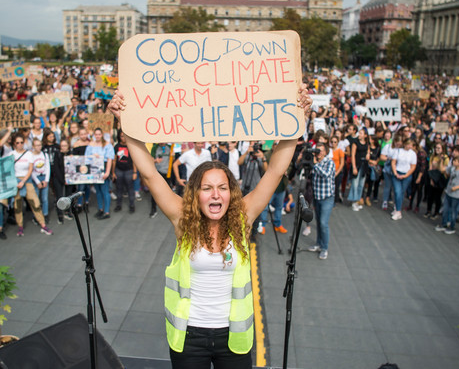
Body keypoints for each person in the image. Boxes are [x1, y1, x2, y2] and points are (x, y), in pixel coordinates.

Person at [107, 87, 311, 368]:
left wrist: (297, 119)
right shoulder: (183, 219)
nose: (215, 194)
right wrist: (125, 121)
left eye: (222, 188)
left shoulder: (243, 218)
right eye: (207, 188)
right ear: (196, 194)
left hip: (234, 339)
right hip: (188, 338)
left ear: (232, 193)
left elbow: (275, 170)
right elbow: (150, 174)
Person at [11, 133, 51, 236]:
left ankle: (43, 224)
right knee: (18, 205)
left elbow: (30, 169)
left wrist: (23, 181)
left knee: (35, 202)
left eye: (21, 142)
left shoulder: (28, 154)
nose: (20, 144)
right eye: (17, 143)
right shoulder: (11, 155)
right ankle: (20, 226)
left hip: (26, 181)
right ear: (14, 144)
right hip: (16, 182)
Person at [307, 141, 336, 259]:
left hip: (327, 197)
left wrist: (315, 165)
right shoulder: (314, 162)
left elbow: (326, 174)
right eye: (316, 150)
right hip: (317, 197)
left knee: (324, 223)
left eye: (320, 150)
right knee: (318, 222)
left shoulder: (329, 162)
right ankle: (319, 244)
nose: (318, 153)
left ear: (325, 152)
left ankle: (324, 248)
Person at [86, 127, 114, 220]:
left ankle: (106, 211)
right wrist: (92, 156)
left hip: (104, 167)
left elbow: (110, 159)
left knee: (105, 191)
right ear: (94, 135)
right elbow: (86, 157)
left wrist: (107, 172)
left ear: (102, 135)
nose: (97, 136)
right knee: (98, 191)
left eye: (99, 134)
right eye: (96, 134)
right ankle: (100, 209)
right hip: (94, 168)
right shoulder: (90, 145)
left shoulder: (107, 145)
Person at [390, 138, 417, 221]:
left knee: (401, 192)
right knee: (397, 191)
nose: (409, 146)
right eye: (408, 144)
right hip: (397, 172)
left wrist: (405, 176)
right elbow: (393, 162)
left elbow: (413, 167)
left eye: (411, 145)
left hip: (406, 175)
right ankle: (397, 208)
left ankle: (398, 210)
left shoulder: (413, 154)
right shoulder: (398, 151)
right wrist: (395, 173)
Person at [112, 130, 136, 213]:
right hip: (119, 170)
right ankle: (119, 205)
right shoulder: (116, 146)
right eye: (122, 136)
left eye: (125, 136)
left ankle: (132, 205)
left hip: (129, 171)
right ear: (119, 137)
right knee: (119, 189)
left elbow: (134, 160)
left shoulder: (131, 146)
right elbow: (114, 160)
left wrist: (135, 172)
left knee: (130, 189)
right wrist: (113, 172)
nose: (123, 138)